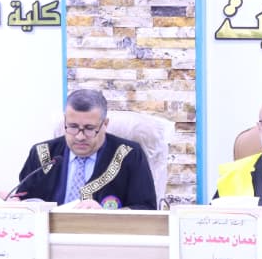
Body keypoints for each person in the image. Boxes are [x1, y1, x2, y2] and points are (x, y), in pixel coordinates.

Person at [11, 89, 157, 210]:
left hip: (103, 234)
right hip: (49, 234)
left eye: (89, 128)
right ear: (65, 121)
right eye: (73, 127)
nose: (80, 137)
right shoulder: (42, 153)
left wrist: (106, 215)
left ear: (105, 124)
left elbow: (146, 208)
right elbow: (24, 200)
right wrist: (14, 204)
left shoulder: (129, 154)